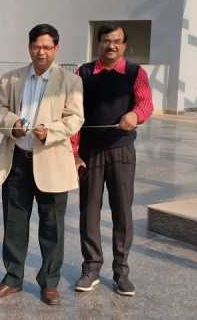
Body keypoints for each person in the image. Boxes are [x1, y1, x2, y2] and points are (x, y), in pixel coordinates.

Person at [0, 24, 83, 305]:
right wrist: (12, 125)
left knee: (52, 226)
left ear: (56, 49)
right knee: (14, 224)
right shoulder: (11, 79)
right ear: (29, 47)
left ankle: (49, 283)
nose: (41, 52)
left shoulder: (70, 81)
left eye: (47, 47)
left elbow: (75, 118)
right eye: (36, 46)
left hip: (52, 162)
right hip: (17, 161)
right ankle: (13, 277)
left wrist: (50, 131)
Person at [73, 24, 153, 297]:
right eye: (107, 41)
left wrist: (136, 115)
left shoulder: (135, 72)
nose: (112, 46)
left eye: (117, 42)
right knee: (89, 211)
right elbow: (72, 114)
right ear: (98, 43)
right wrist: (74, 153)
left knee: (122, 211)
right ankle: (91, 267)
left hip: (121, 151)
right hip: (89, 152)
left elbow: (146, 103)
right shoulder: (83, 73)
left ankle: (121, 271)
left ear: (124, 45)